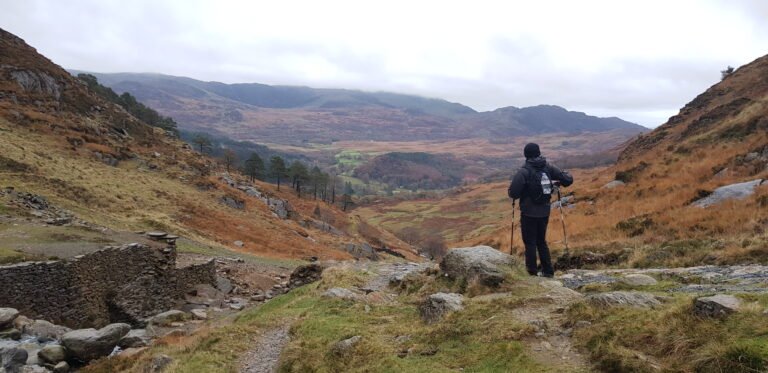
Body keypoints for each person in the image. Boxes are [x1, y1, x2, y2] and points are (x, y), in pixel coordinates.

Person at [508, 143, 573, 277]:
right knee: (541, 241)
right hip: (544, 211)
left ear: (525, 155)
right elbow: (568, 180)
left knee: (530, 242)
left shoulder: (524, 171)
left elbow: (514, 193)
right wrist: (559, 179)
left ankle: (531, 273)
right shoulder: (548, 167)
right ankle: (548, 272)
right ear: (538, 153)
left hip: (528, 213)